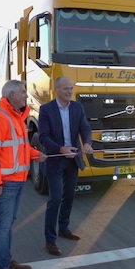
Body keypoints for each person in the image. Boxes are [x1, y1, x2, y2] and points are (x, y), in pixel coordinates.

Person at [0, 80, 47, 269]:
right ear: (12, 95)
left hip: (16, 181)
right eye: (23, 92)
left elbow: (20, 148)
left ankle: (7, 262)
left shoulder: (15, 117)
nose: (26, 95)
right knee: (3, 227)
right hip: (6, 183)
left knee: (8, 225)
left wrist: (36, 155)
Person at [38, 76, 93, 256]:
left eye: (71, 89)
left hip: (73, 159)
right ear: (56, 90)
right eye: (66, 89)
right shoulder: (46, 110)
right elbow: (43, 136)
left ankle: (63, 228)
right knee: (56, 198)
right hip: (55, 159)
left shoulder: (77, 107)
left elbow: (85, 127)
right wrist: (61, 149)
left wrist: (86, 143)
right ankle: (50, 240)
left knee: (69, 196)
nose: (69, 92)